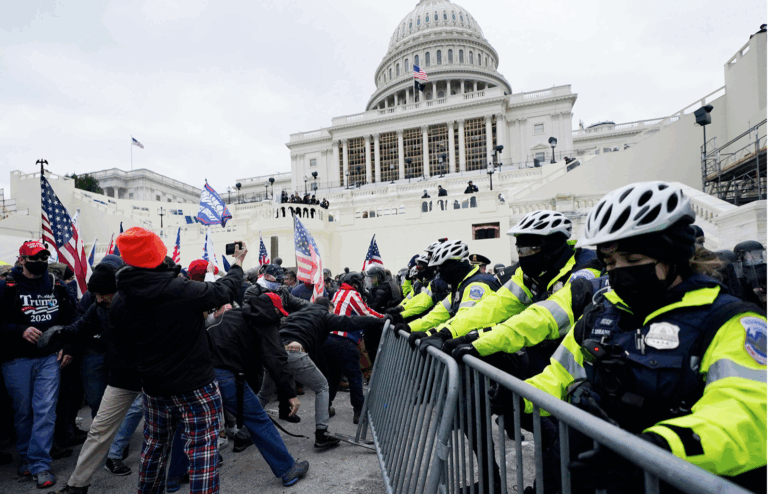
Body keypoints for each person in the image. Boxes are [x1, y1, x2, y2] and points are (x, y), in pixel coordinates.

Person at [516, 181, 767, 493]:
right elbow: (560, 375)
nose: (620, 272)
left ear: (672, 256)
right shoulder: (601, 313)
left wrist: (656, 448)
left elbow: (747, 414)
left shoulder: (730, 321)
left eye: (633, 261)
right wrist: (516, 398)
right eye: (610, 263)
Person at [109, 228, 247, 494]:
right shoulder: (179, 289)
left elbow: (121, 349)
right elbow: (224, 290)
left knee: (154, 446)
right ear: (159, 254)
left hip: (154, 387)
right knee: (203, 449)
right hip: (196, 386)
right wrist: (238, 263)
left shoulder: (120, 300)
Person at [438, 210, 601, 377]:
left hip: (583, 364)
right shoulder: (531, 274)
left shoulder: (586, 270)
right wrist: (446, 332)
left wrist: (482, 345)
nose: (522, 256)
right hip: (546, 357)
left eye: (527, 249)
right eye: (519, 250)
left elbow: (544, 317)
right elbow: (494, 305)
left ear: (552, 246)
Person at [43, 260, 147, 494]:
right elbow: (81, 326)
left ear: (118, 290)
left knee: (166, 429)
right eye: (96, 294)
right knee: (98, 430)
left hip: (150, 378)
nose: (99, 299)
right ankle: (77, 485)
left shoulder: (140, 304)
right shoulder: (99, 307)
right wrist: (58, 332)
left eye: (104, 294)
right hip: (121, 378)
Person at [189, 291, 308, 487]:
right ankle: (287, 469)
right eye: (278, 313)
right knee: (259, 421)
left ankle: (176, 474)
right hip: (226, 376)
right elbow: (276, 359)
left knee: (193, 422)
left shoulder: (231, 314)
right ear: (272, 311)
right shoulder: (265, 322)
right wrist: (290, 394)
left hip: (201, 372)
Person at [258, 297, 385, 447]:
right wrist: (379, 320)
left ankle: (244, 432)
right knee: (322, 387)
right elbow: (350, 322)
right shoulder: (324, 315)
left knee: (264, 395)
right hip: (294, 353)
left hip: (273, 355)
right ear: (329, 307)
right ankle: (322, 434)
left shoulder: (296, 315)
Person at [0, 240, 76, 489]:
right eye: (35, 257)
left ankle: (40, 463)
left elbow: (71, 320)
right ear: (21, 259)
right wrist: (19, 330)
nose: (41, 262)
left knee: (44, 411)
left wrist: (68, 347)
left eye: (44, 257)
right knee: (24, 413)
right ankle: (26, 458)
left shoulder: (57, 286)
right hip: (16, 360)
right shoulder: (6, 287)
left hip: (48, 359)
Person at [734, 240, 766, 305]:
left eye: (758, 253)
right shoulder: (740, 272)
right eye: (751, 254)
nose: (756, 256)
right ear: (742, 256)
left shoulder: (765, 267)